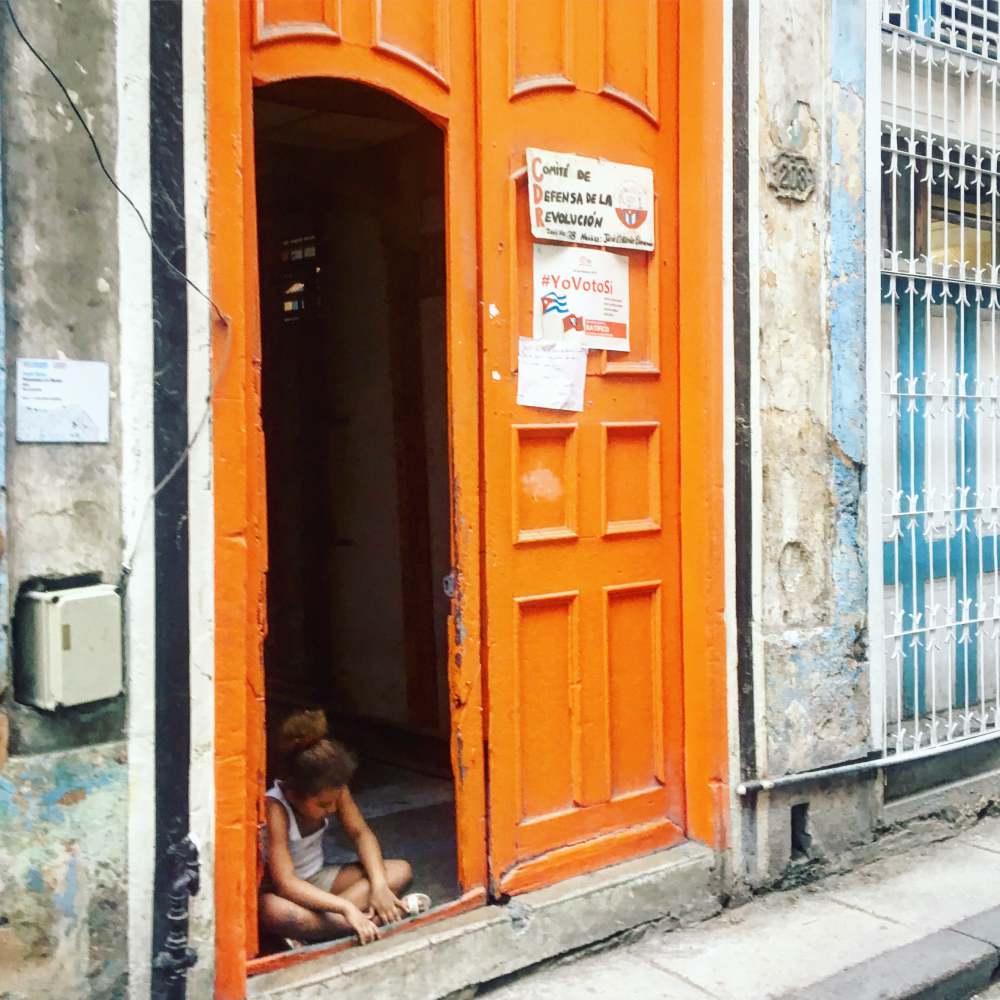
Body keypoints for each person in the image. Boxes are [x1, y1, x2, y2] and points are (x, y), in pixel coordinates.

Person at [259, 709, 414, 946]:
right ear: (293, 794)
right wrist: (345, 907)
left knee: (400, 870)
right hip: (287, 893)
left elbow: (360, 834)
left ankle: (319, 928)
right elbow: (286, 882)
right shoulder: (275, 808)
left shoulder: (334, 789)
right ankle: (371, 920)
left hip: (318, 879)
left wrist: (380, 886)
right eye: (323, 805)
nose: (332, 809)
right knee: (271, 910)